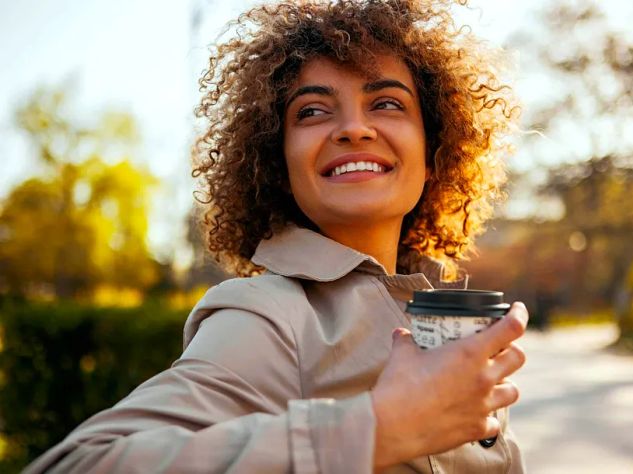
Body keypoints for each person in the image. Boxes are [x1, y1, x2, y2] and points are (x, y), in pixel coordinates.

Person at [25, 0, 528, 472]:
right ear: (278, 164)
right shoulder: (269, 314)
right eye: (311, 111)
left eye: (387, 104)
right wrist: (378, 429)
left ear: (433, 151)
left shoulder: (441, 308)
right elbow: (84, 462)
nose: (353, 128)